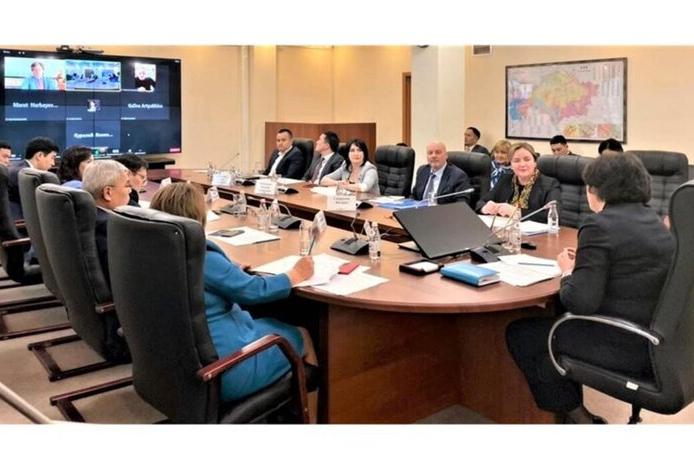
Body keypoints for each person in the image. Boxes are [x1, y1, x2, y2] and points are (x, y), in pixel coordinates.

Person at [505, 152, 674, 424]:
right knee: (549, 334)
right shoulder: (654, 221)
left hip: (622, 342)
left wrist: (567, 271)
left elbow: (579, 302)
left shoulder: (598, 225)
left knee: (522, 334)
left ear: (596, 189)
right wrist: (586, 264)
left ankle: (580, 421)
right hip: (658, 341)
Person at [149, 182, 319, 412]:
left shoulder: (154, 251)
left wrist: (228, 270)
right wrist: (295, 275)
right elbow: (254, 290)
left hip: (176, 365)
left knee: (269, 322)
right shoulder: (201, 259)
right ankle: (311, 419)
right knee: (301, 334)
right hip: (224, 370)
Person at [477, 142, 560, 223]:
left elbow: (553, 215)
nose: (522, 164)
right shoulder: (505, 179)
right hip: (505, 228)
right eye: (516, 161)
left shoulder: (550, 184)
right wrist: (485, 208)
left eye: (527, 159)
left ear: (535, 163)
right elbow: (481, 203)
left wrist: (517, 212)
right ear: (511, 165)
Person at [82, 160, 132, 287]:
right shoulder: (110, 228)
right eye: (127, 185)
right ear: (108, 192)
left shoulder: (87, 217)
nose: (130, 191)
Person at [8, 137, 59, 220]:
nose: (53, 163)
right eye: (52, 158)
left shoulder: (20, 169)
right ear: (39, 156)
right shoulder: (23, 174)